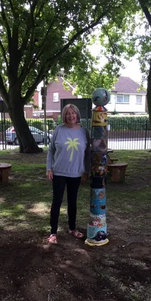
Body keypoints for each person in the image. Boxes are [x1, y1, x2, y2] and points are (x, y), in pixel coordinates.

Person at [46, 104, 90, 244]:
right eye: (67, 113)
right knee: (57, 202)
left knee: (72, 202)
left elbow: (88, 153)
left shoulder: (84, 132)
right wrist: (49, 168)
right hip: (59, 172)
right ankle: (53, 232)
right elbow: (51, 150)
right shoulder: (59, 130)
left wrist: (86, 171)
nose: (70, 116)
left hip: (76, 172)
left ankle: (72, 228)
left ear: (77, 115)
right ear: (64, 116)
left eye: (73, 113)